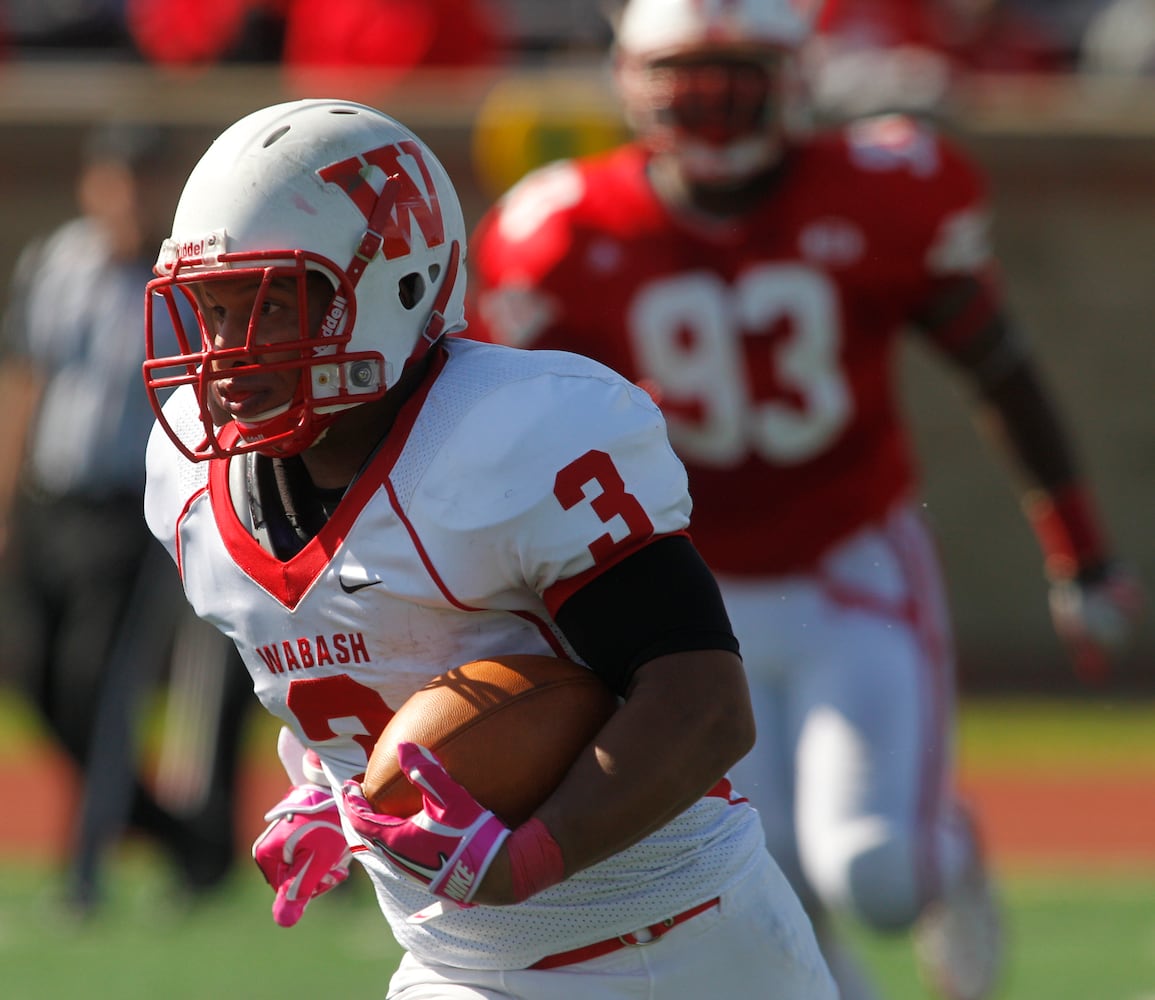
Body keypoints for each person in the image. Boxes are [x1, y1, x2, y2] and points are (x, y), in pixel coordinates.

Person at [466, 1, 1145, 999]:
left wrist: (1079, 548)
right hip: (691, 594)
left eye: (737, 80)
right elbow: (500, 439)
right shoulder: (563, 231)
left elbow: (996, 364)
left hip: (850, 563)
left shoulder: (881, 190)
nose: (713, 108)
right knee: (758, 871)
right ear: (631, 85)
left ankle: (947, 856)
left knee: (877, 872)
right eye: (686, 84)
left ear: (796, 79)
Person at [140, 98, 836, 999]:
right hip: (459, 964)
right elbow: (367, 657)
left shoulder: (515, 432)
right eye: (213, 310)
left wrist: (532, 856)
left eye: (269, 308)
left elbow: (703, 704)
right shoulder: (191, 479)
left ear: (395, 281)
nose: (227, 357)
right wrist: (332, 787)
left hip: (685, 946)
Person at [0, 121, 249, 912]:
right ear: (91, 183)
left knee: (99, 689)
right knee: (33, 678)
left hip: (131, 513)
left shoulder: (185, 280)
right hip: (49, 504)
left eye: (143, 180)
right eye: (115, 179)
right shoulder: (56, 262)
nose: (127, 197)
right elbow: (25, 380)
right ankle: (181, 836)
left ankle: (84, 874)